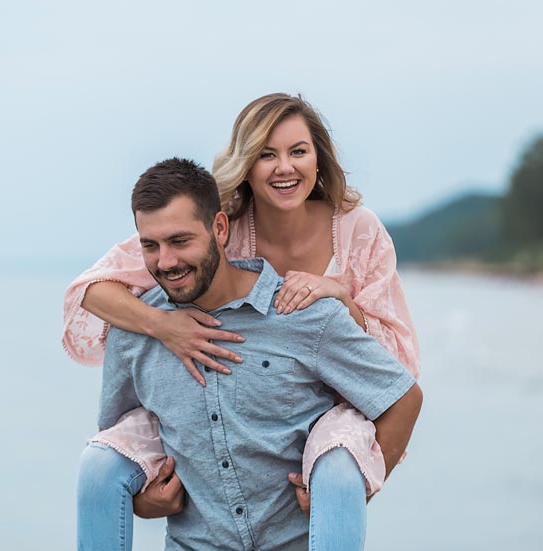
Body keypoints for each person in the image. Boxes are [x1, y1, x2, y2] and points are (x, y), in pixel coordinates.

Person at [65, 94, 420, 546]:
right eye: (266, 155)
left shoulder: (356, 230)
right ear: (246, 166)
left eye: (298, 151)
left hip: (338, 398)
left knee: (338, 460)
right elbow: (98, 286)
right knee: (100, 463)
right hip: (237, 405)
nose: (284, 167)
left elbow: (397, 372)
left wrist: (340, 301)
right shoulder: (221, 221)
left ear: (318, 158)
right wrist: (164, 325)